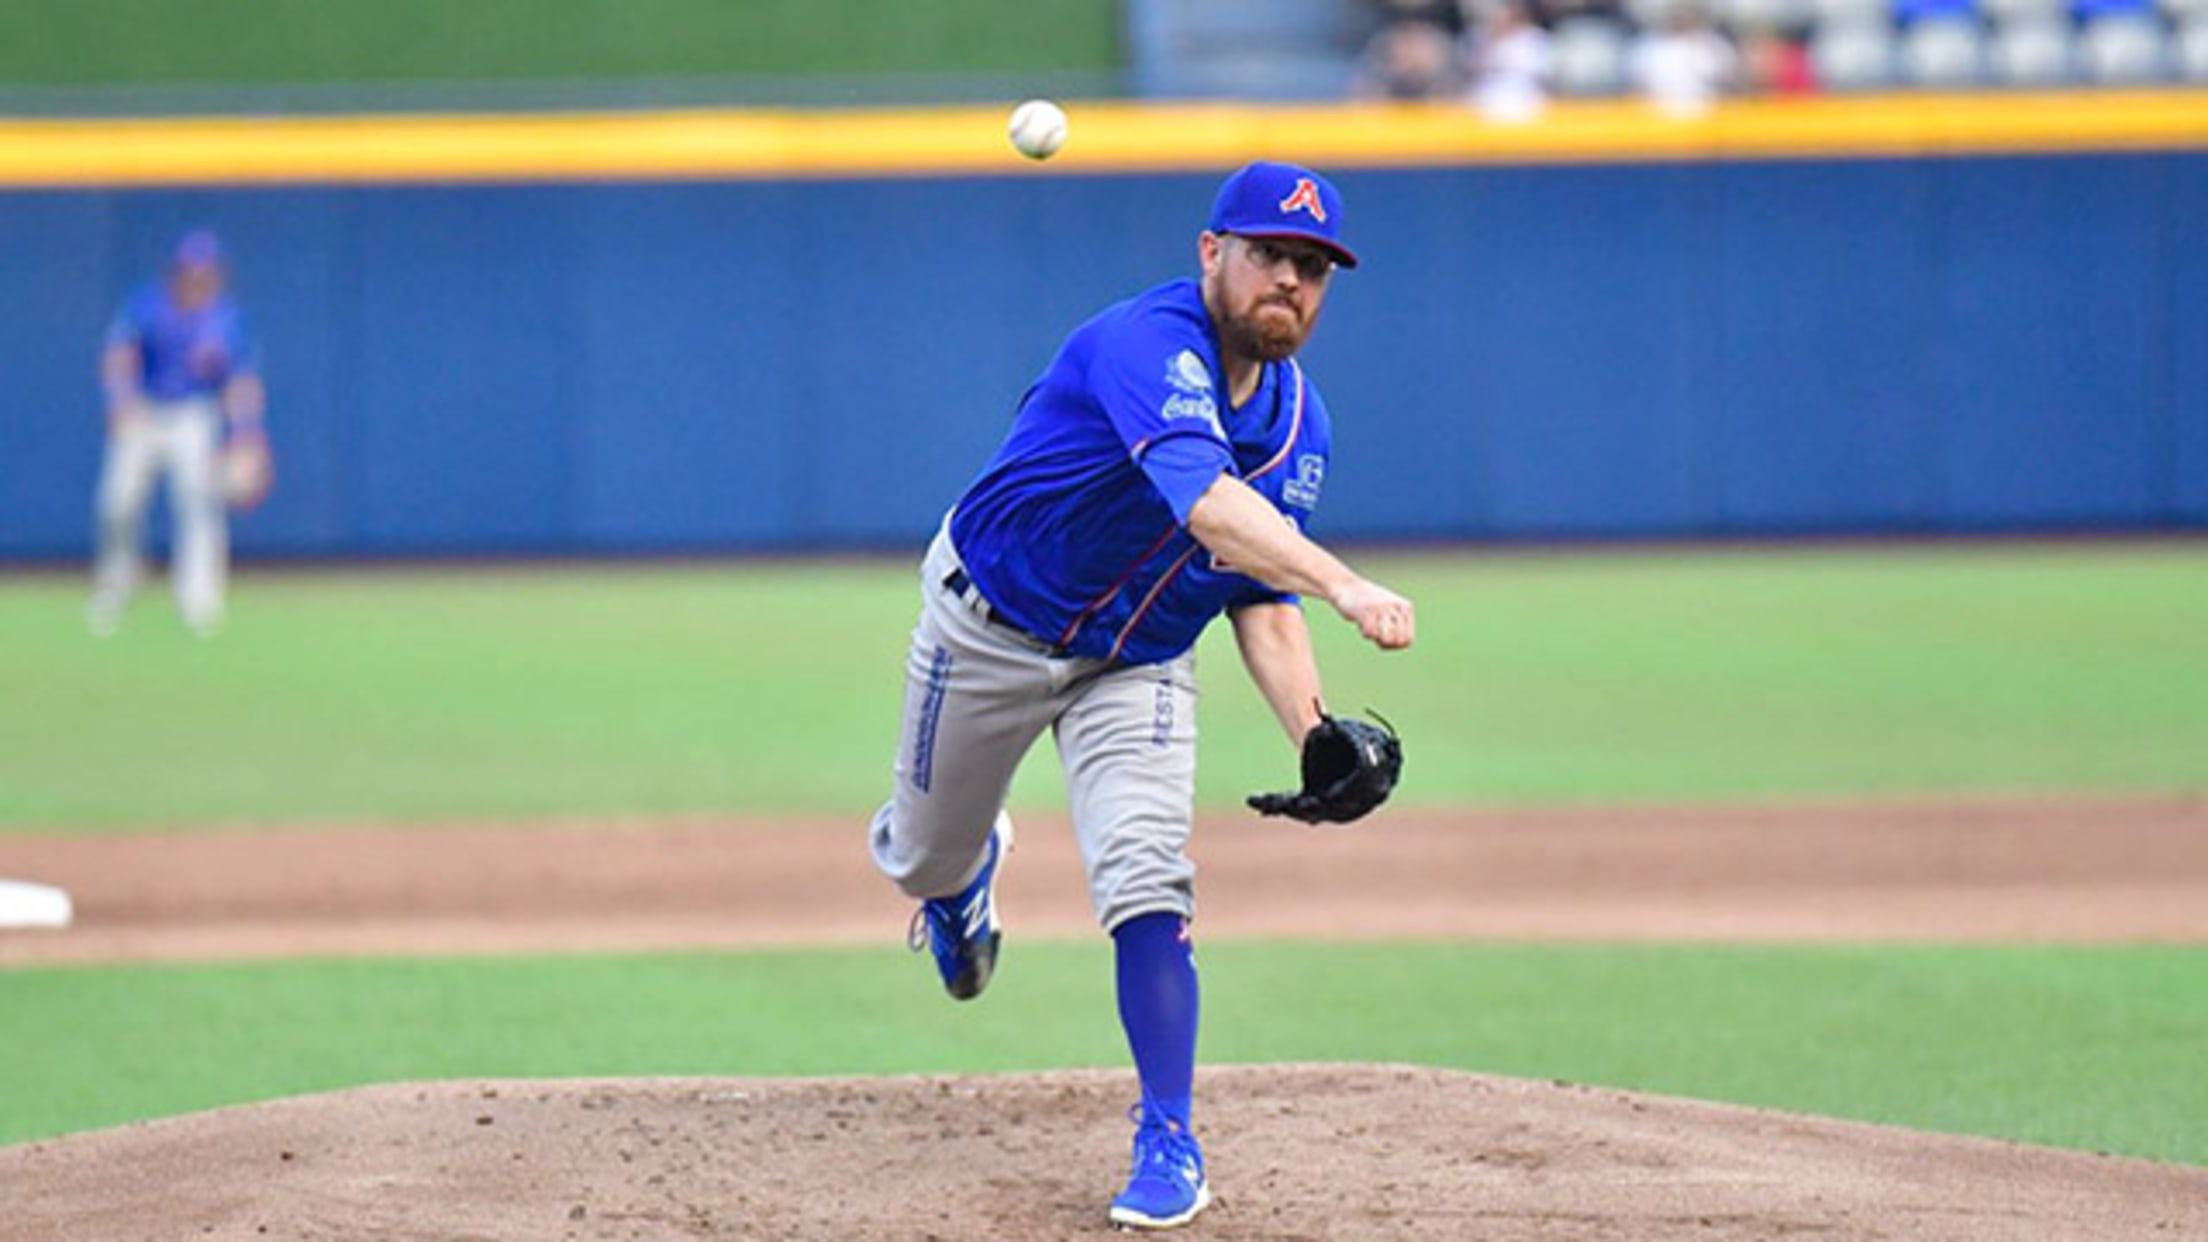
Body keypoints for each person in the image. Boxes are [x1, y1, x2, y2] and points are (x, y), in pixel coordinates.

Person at [867, 161, 1415, 1231]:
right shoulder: (1145, 344)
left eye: (1312, 268)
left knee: (1147, 878)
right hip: (989, 625)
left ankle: (1169, 1137)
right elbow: (1207, 506)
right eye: (1269, 254)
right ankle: (960, 879)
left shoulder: (1301, 429)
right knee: (921, 857)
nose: (1289, 281)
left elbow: (1258, 591)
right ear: (1212, 253)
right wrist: (1347, 583)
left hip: (1138, 661)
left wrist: (1312, 732)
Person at [87, 229, 267, 638]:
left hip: (193, 414)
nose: (200, 279)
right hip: (144, 410)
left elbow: (240, 380)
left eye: (207, 271)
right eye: (192, 271)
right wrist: (118, 400)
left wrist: (247, 433)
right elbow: (119, 355)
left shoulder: (227, 318)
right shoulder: (147, 305)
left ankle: (198, 598)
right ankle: (115, 584)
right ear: (178, 272)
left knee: (198, 505)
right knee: (117, 503)